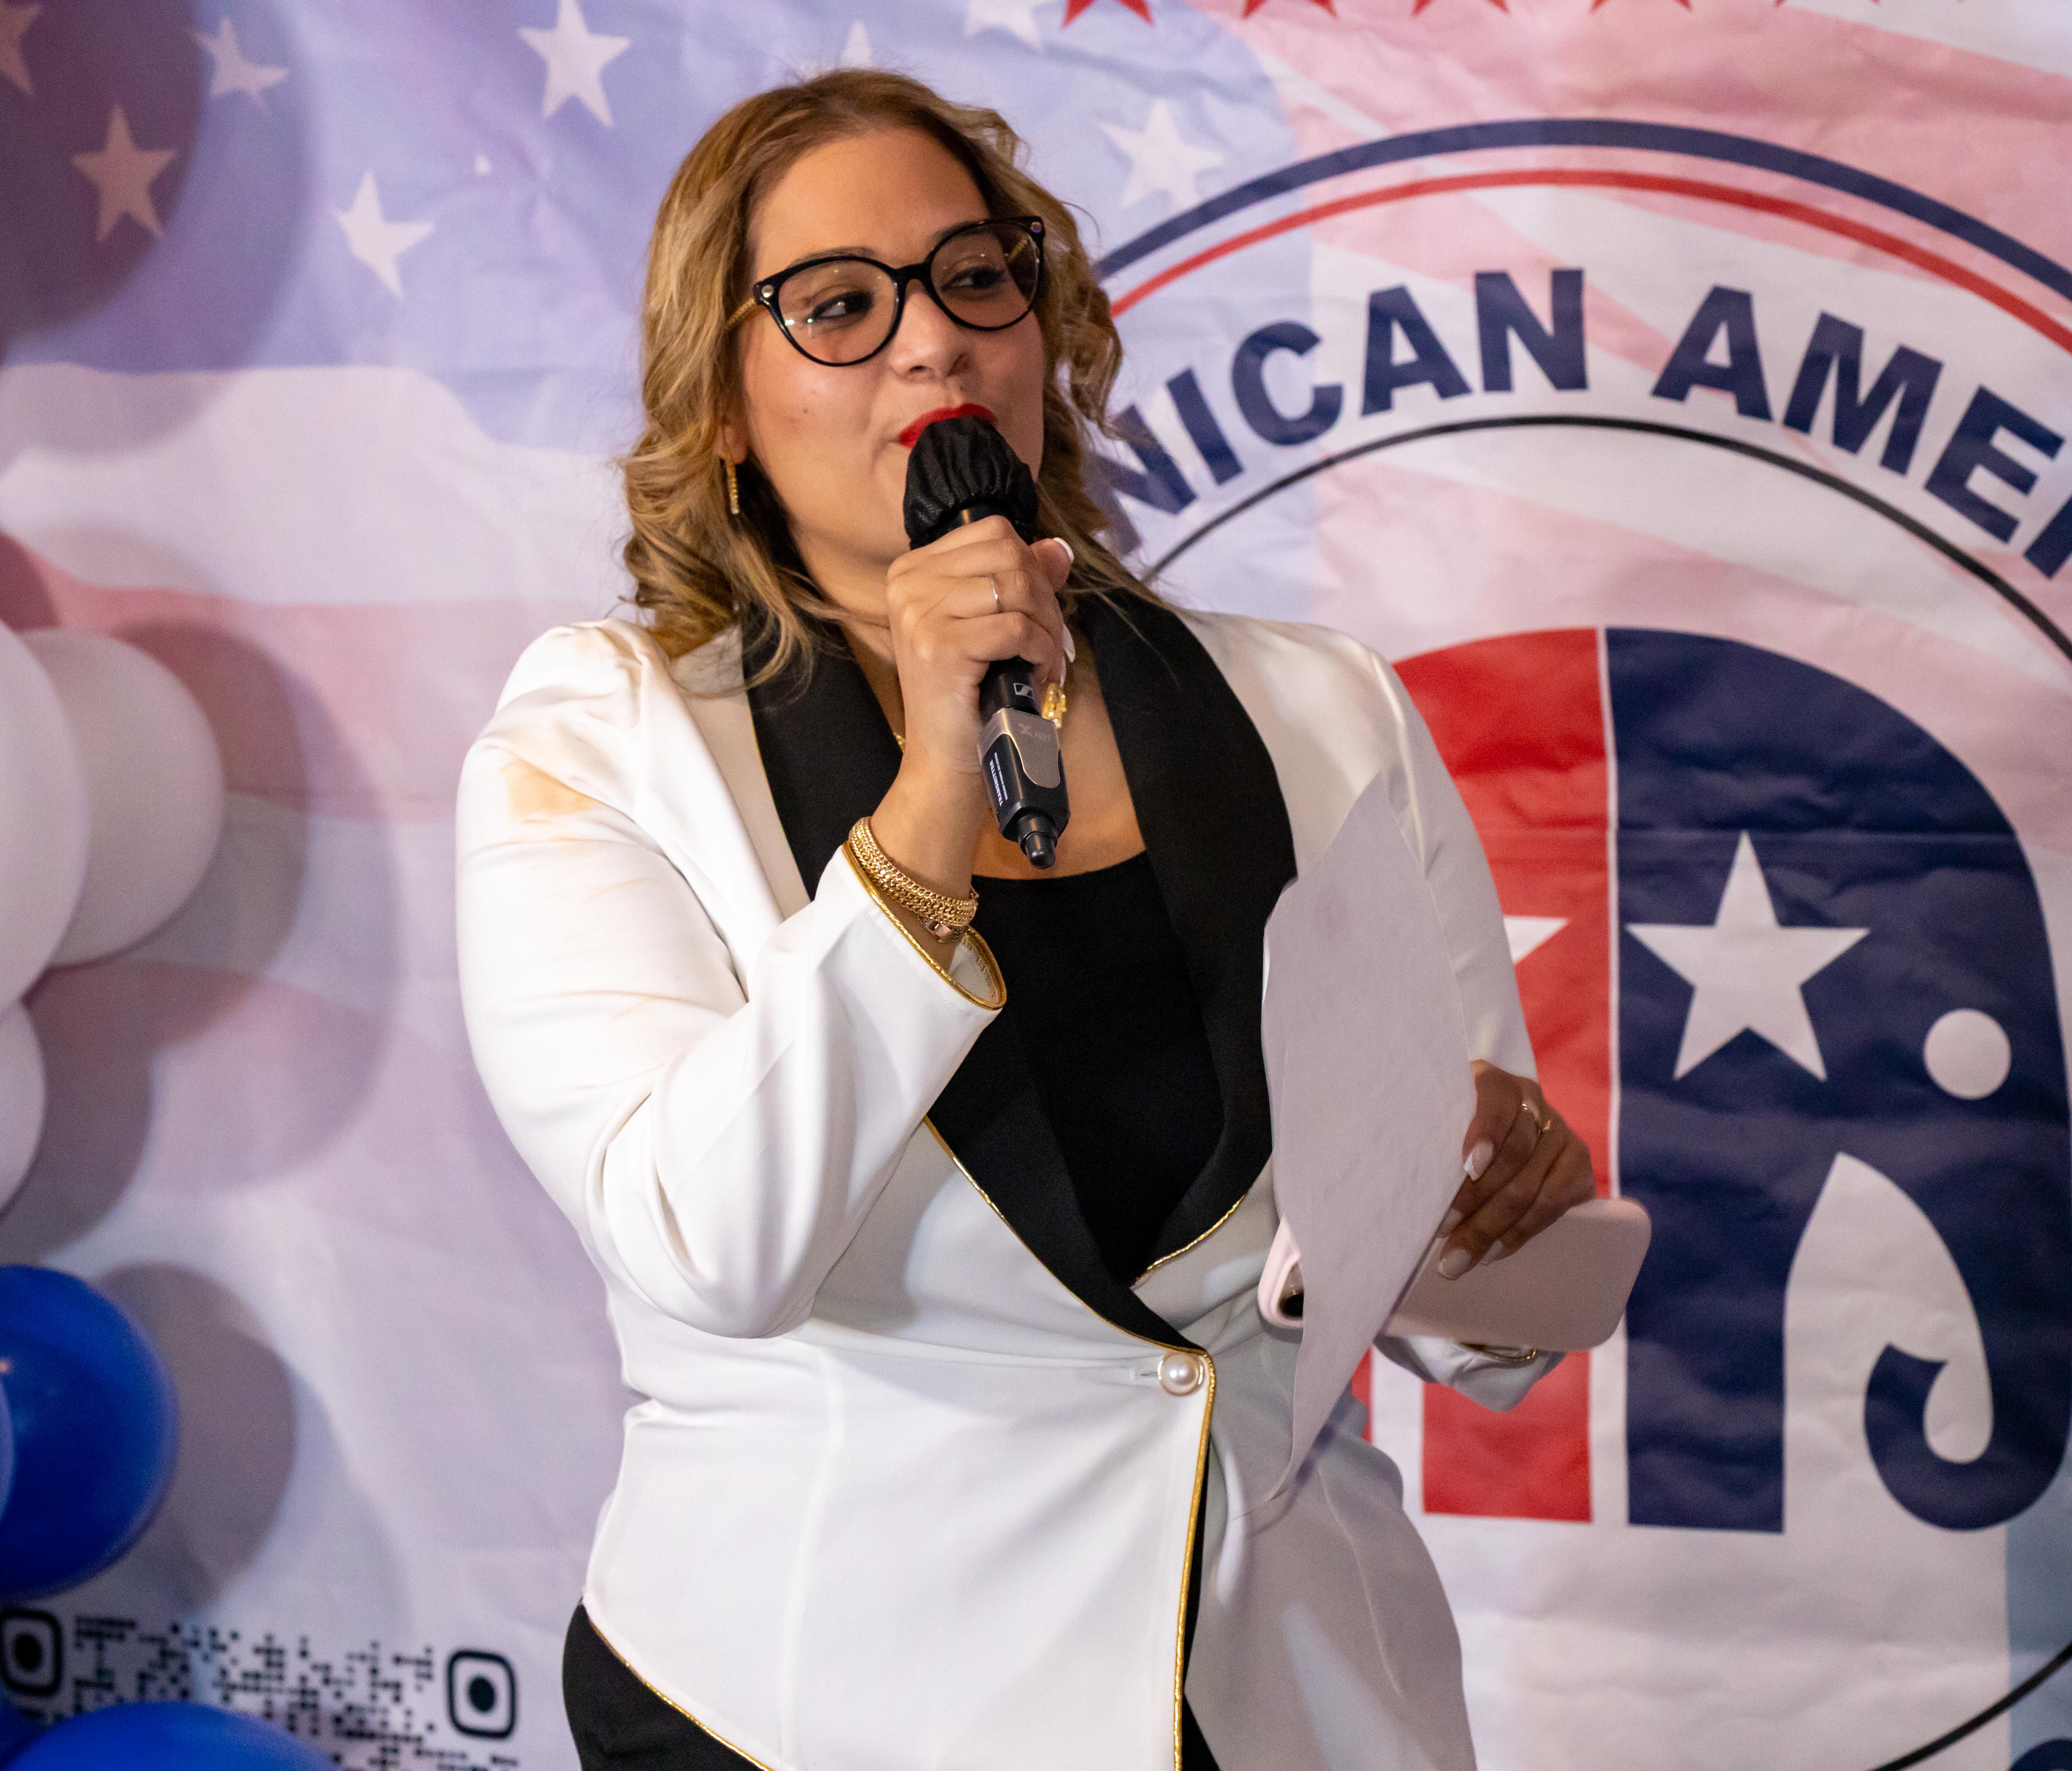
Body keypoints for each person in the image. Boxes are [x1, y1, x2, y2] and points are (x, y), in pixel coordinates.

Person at [455, 68, 1596, 1771]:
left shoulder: (1321, 708)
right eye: (840, 305)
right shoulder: (604, 738)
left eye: (976, 278)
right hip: (809, 1709)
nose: (932, 340)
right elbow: (711, 1247)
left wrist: (1509, 1200)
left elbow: (1460, 1311)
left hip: (1286, 1695)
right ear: (721, 407)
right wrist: (933, 790)